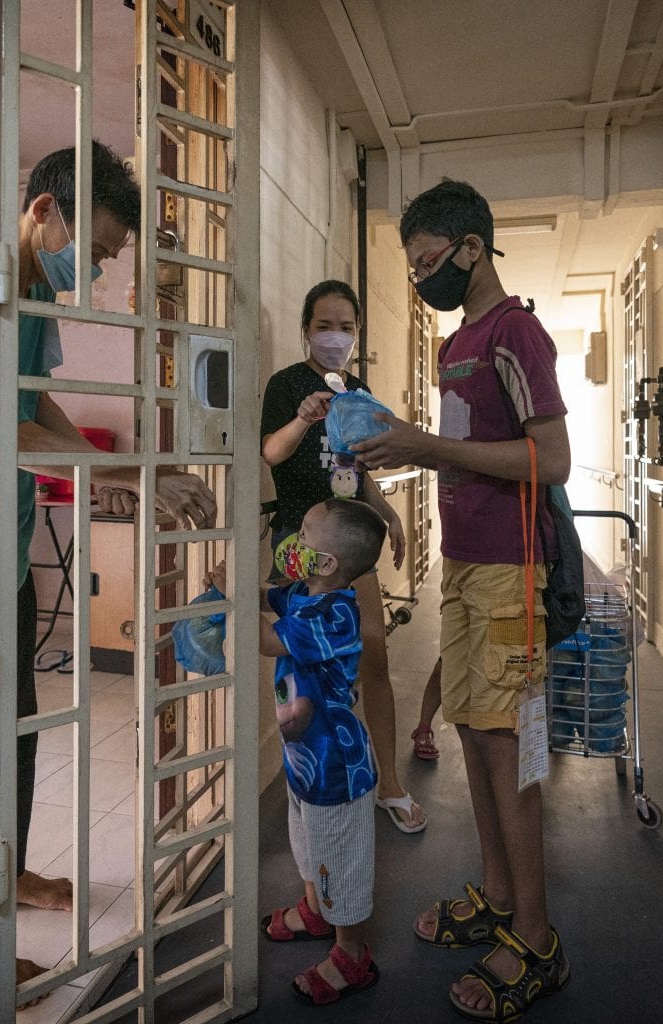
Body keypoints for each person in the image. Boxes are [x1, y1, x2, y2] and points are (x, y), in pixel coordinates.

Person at [0, 141, 218, 1001]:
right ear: (45, 210)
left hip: (10, 548)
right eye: (92, 251)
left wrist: (125, 469)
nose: (90, 271)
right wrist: (124, 475)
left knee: (17, 735)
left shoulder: (38, 294)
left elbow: (31, 402)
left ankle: (6, 880)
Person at [352, 178, 572, 1021]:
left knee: (508, 746)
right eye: (413, 267)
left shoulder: (515, 332)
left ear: (473, 247)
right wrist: (398, 451)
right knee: (477, 734)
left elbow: (548, 459)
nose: (422, 278)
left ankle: (540, 938)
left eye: (430, 261)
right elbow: (464, 452)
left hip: (514, 566)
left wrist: (424, 441)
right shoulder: (454, 346)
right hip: (466, 562)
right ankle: (497, 895)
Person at [260, 280, 427, 834]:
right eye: (325, 325)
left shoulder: (358, 389)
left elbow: (359, 470)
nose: (336, 337)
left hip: (351, 541)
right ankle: (308, 780)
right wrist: (305, 417)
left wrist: (389, 514)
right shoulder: (286, 386)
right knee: (301, 665)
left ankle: (389, 783)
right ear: (306, 329)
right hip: (301, 542)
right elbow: (271, 452)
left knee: (373, 654)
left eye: (347, 327)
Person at [247, 498, 389, 1005]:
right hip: (304, 758)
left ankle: (352, 955)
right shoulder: (305, 593)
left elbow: (268, 639)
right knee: (307, 842)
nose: (294, 542)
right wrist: (240, 585)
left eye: (304, 534)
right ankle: (313, 911)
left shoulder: (336, 615)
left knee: (340, 860)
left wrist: (230, 604)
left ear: (327, 563)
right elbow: (273, 599)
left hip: (336, 766)